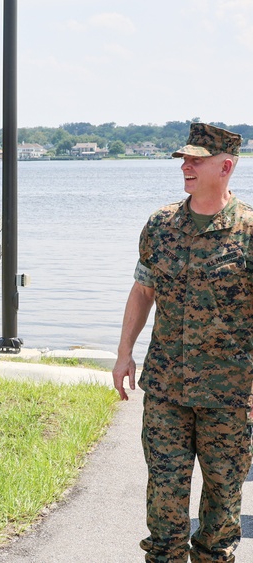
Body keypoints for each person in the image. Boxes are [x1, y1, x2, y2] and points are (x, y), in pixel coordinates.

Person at [113, 122, 253, 562]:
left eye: (197, 159)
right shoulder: (161, 225)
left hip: (229, 395)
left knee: (222, 507)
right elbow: (142, 291)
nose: (186, 166)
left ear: (225, 166)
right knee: (165, 502)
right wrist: (123, 354)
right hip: (166, 391)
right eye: (184, 159)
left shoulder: (249, 231)